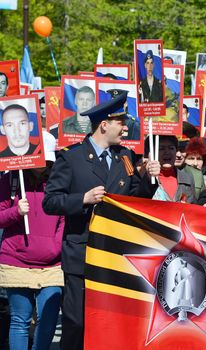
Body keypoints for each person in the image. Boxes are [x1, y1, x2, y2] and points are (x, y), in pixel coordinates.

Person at [42, 92, 161, 350]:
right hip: (81, 253)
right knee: (77, 323)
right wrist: (82, 199)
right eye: (121, 122)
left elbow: (132, 199)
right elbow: (50, 202)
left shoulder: (125, 156)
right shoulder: (71, 157)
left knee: (110, 323)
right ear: (104, 125)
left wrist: (148, 180)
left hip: (114, 255)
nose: (126, 127)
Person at [0, 131, 63, 350]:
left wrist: (55, 246)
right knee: (20, 321)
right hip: (16, 261)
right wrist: (16, 212)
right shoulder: (10, 180)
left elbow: (64, 218)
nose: (44, 164)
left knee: (48, 320)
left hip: (52, 264)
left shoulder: (59, 181)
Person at [145, 135, 196, 203]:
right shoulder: (144, 177)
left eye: (171, 148)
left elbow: (194, 206)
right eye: (161, 148)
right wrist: (148, 178)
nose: (167, 152)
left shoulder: (187, 178)